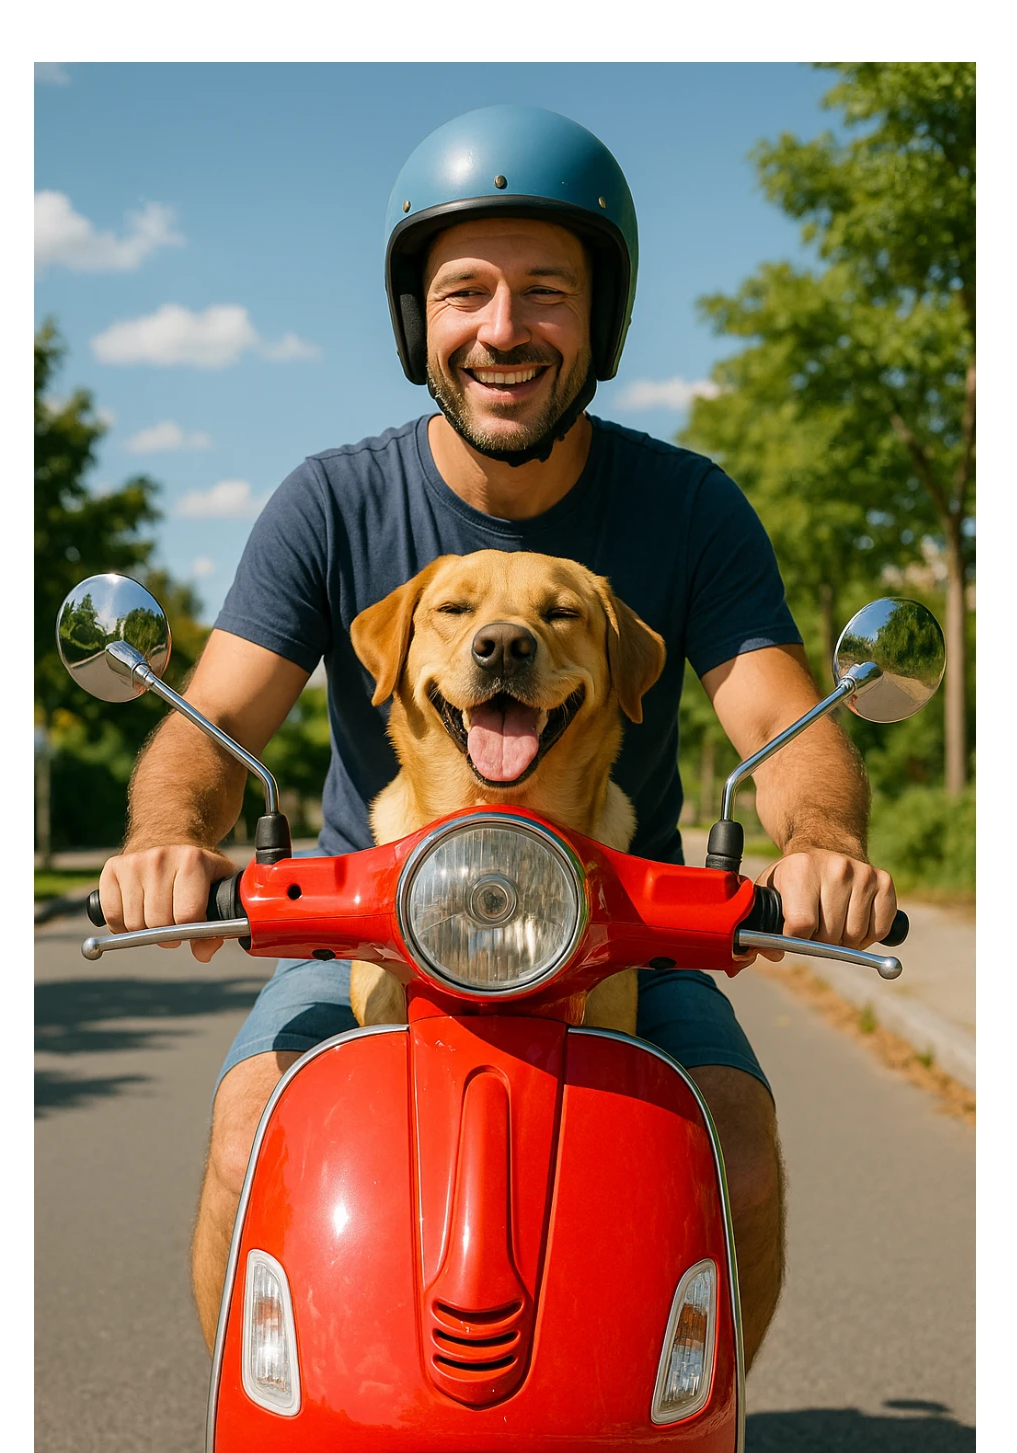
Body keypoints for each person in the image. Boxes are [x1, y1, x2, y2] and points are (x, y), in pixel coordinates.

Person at [98, 106, 897, 1358]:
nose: (504, 328)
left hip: (627, 924)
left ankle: (695, 1440)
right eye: (465, 292)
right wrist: (165, 837)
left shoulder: (687, 505)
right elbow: (219, 722)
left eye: (546, 292)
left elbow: (777, 715)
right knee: (250, 1132)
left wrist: (823, 844)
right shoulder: (332, 500)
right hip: (363, 923)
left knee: (735, 1144)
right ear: (420, 323)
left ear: (602, 321)